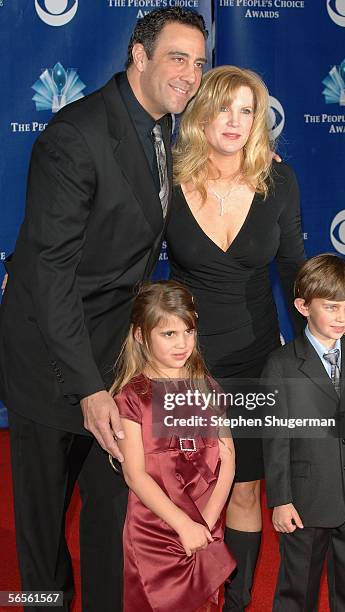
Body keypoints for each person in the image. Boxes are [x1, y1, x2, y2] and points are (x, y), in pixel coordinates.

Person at [0, 8, 207, 611]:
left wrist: (251, 168)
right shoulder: (77, 135)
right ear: (138, 56)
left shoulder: (161, 128)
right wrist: (88, 389)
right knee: (41, 531)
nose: (189, 75)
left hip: (114, 361)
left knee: (113, 517)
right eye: (176, 58)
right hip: (51, 360)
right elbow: (47, 273)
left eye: (197, 63)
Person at [166, 65, 345, 611]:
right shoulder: (166, 175)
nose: (235, 122)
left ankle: (234, 604)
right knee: (182, 488)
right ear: (200, 113)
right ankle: (182, 596)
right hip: (185, 362)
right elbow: (124, 249)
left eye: (248, 111)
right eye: (224, 108)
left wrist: (337, 326)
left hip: (256, 358)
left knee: (244, 487)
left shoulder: (277, 180)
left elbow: (292, 268)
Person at [262, 254, 345, 611]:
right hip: (305, 501)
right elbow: (275, 440)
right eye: (332, 307)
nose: (342, 317)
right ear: (303, 306)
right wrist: (280, 499)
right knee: (296, 593)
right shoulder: (282, 364)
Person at [111, 280, 236, 612]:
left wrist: (206, 522)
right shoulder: (133, 398)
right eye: (169, 334)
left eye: (189, 331)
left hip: (206, 519)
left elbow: (228, 460)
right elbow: (135, 475)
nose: (182, 343)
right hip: (155, 528)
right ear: (141, 335)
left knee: (207, 604)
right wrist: (183, 525)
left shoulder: (209, 389)